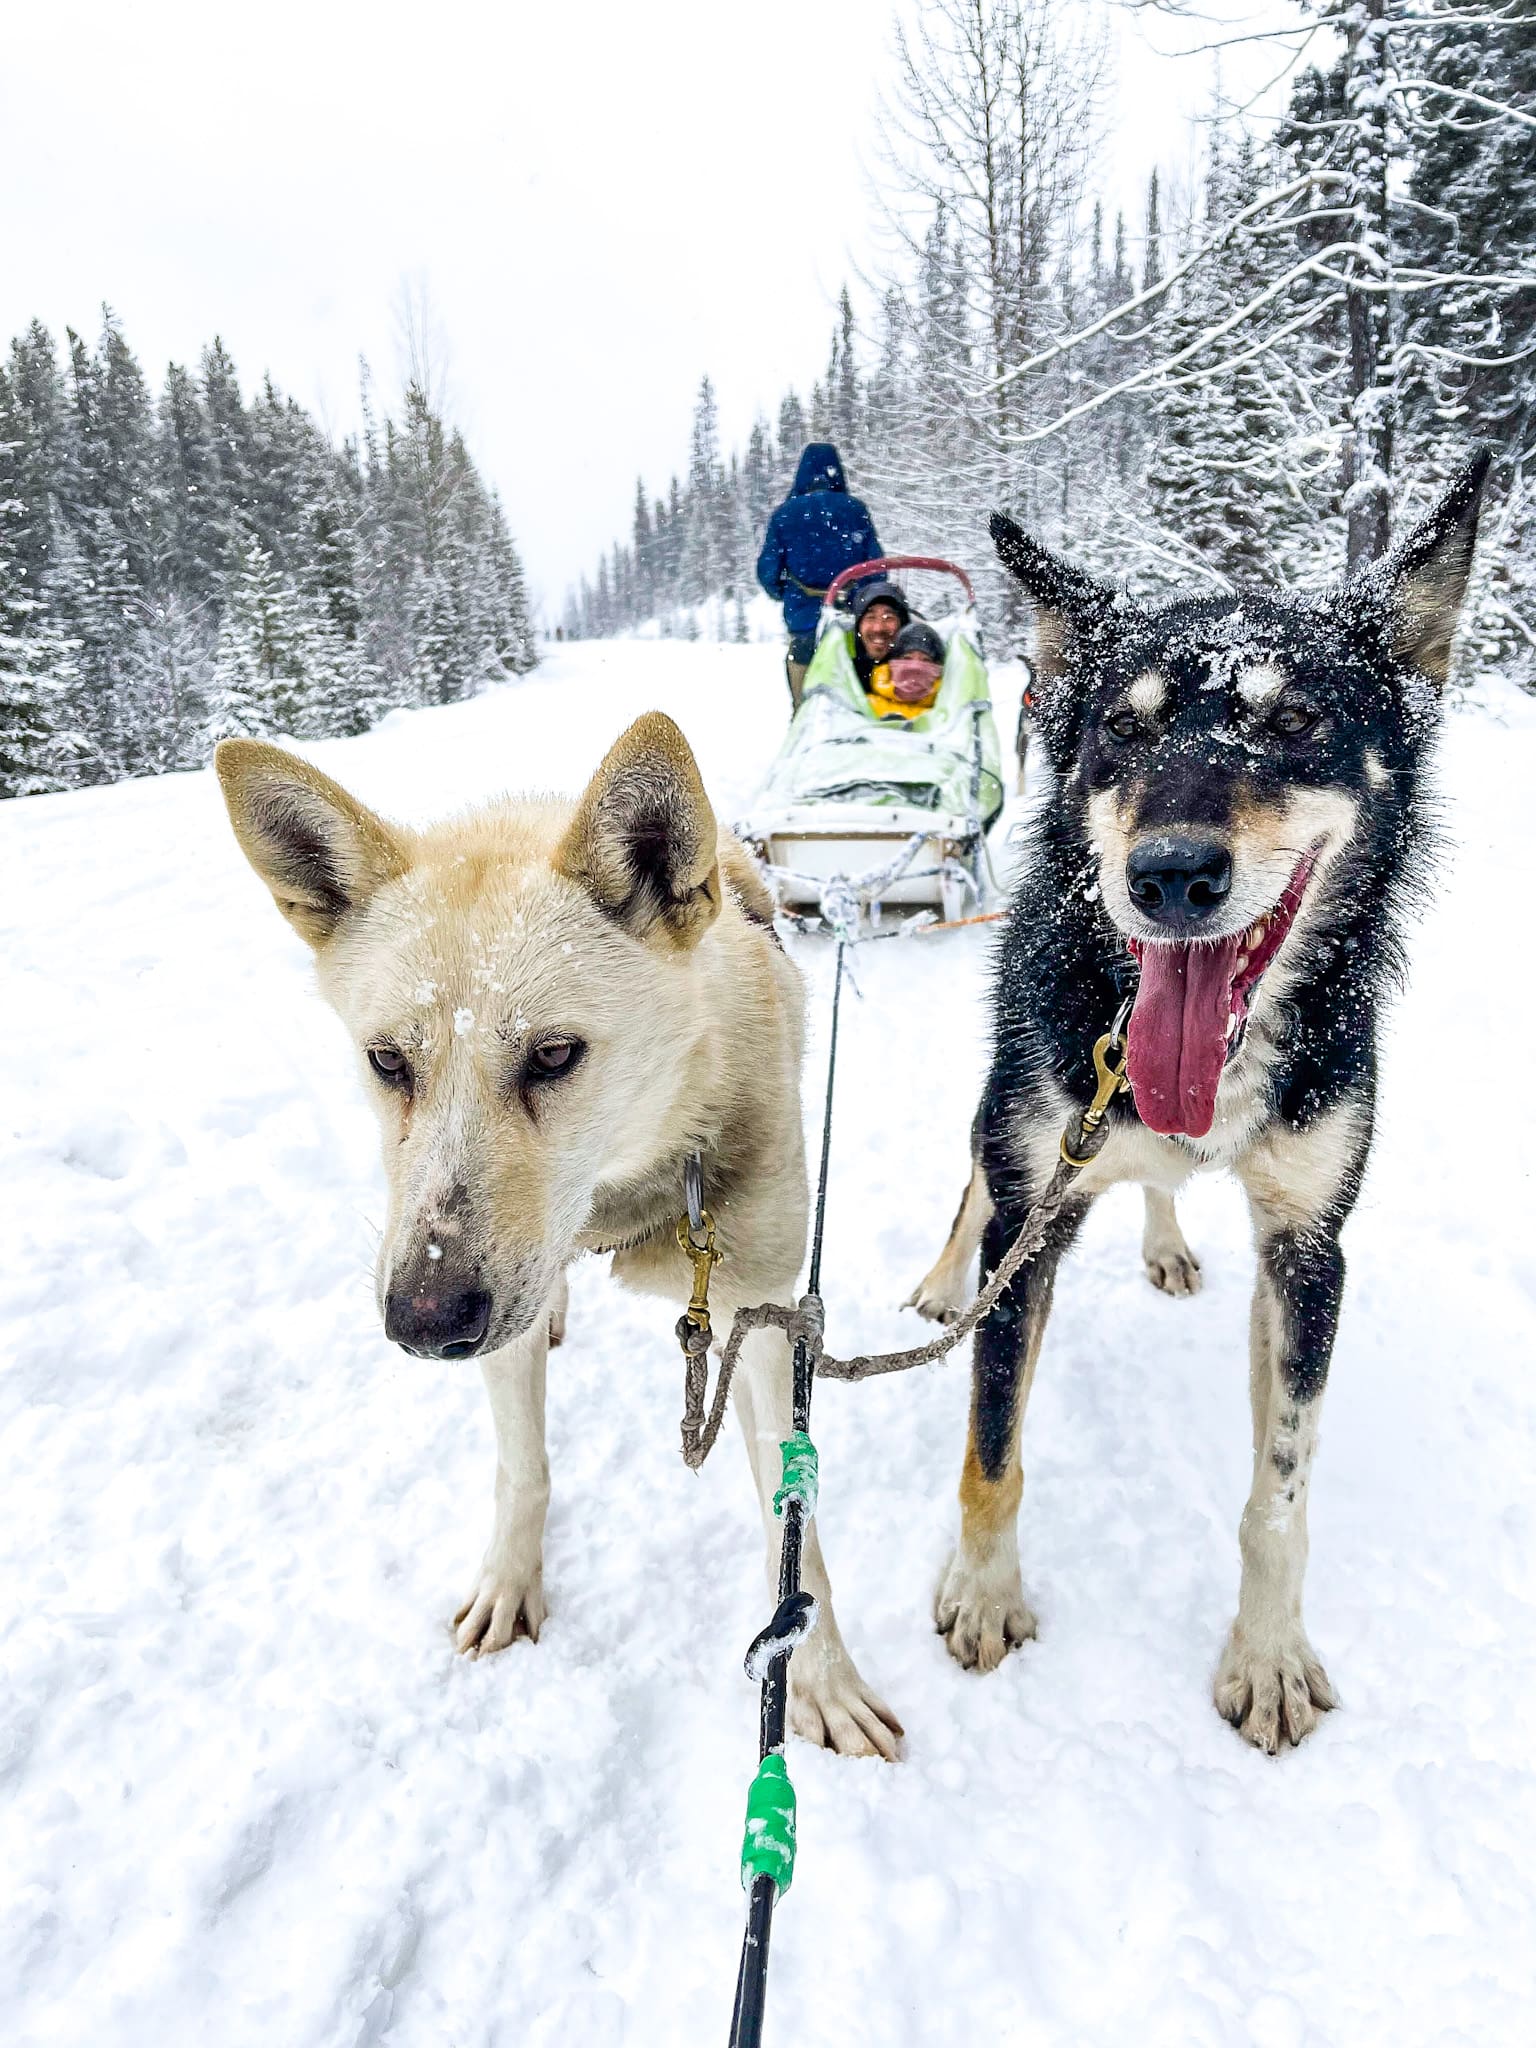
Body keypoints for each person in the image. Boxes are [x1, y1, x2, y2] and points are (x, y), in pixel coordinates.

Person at [756, 442, 881, 708]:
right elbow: (877, 569)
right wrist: (862, 596)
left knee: (804, 693)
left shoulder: (784, 515)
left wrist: (788, 593)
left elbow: (768, 571)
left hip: (805, 620)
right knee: (860, 695)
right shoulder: (855, 509)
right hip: (851, 617)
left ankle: (802, 719)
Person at [866, 618, 946, 721]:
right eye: (907, 658)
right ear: (892, 664)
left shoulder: (945, 717)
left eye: (926, 660)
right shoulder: (864, 704)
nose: (915, 667)